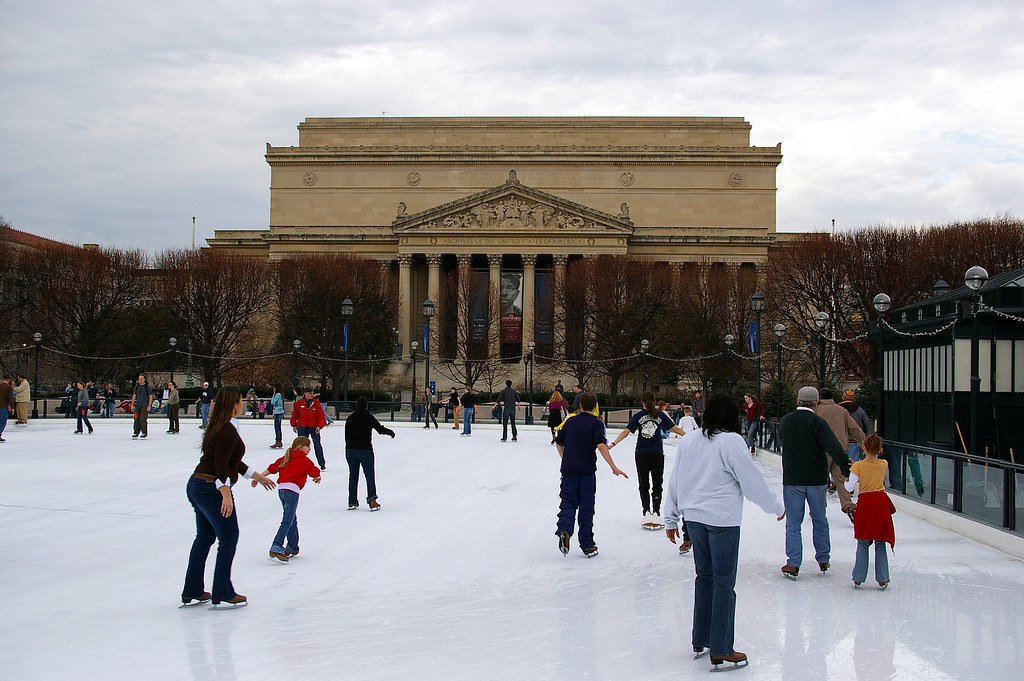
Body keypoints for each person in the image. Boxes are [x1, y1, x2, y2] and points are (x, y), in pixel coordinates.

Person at [663, 393, 785, 671]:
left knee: (704, 577)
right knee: (723, 582)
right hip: (722, 521)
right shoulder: (731, 442)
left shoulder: (691, 439)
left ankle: (702, 637)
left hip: (694, 519)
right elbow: (752, 483)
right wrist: (776, 507)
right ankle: (721, 648)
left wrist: (671, 518)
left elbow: (676, 480)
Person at [182, 386, 276, 608]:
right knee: (229, 536)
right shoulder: (226, 429)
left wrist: (258, 477)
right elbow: (221, 465)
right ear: (234, 404)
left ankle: (193, 589)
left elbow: (233, 461)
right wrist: (225, 492)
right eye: (240, 400)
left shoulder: (220, 426)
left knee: (204, 537)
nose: (242, 404)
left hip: (198, 485)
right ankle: (222, 590)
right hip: (209, 487)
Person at [778, 386, 851, 578]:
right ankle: (823, 558)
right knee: (820, 519)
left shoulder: (785, 421)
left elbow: (781, 442)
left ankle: (793, 563)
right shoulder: (818, 423)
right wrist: (845, 468)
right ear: (816, 402)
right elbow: (834, 447)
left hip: (793, 479)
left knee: (793, 523)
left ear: (797, 401)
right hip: (816, 479)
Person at [555, 391, 628, 558]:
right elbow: (601, 446)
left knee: (568, 502)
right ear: (595, 406)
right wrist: (613, 466)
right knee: (586, 507)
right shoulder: (597, 424)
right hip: (587, 472)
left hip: (569, 470)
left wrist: (565, 459)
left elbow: (559, 443)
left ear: (580, 405)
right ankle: (587, 544)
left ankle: (565, 529)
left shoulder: (570, 421)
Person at [609, 391, 686, 530]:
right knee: (657, 484)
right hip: (657, 453)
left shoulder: (638, 416)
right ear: (654, 401)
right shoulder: (660, 415)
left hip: (641, 454)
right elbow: (674, 428)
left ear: (642, 402)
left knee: (643, 484)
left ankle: (646, 512)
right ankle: (656, 512)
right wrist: (692, 436)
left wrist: (614, 443)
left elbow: (626, 431)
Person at [254, 436, 321, 563]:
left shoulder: (286, 458)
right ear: (300, 447)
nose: (310, 449)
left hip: (282, 491)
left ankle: (292, 546)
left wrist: (259, 478)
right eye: (308, 446)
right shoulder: (303, 460)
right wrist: (317, 476)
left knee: (291, 518)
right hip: (292, 491)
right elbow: (314, 471)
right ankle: (276, 545)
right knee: (287, 519)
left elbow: (272, 468)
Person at [845, 434, 895, 588]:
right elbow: (873, 467)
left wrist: (848, 477)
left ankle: (858, 576)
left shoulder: (858, 466)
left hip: (866, 505)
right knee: (880, 542)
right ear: (880, 449)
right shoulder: (883, 464)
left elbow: (849, 488)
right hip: (880, 504)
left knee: (863, 542)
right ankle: (883, 577)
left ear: (863, 447)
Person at [814, 387, 865, 522]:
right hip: (840, 451)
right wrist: (864, 442)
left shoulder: (816, 410)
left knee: (819, 480)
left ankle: (819, 506)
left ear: (819, 398)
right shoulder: (841, 410)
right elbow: (854, 428)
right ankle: (849, 506)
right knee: (841, 480)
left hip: (822, 451)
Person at [344, 395, 396, 511]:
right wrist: (390, 432)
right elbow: (380, 429)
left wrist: (349, 447)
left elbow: (346, 435)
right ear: (366, 405)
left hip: (350, 449)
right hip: (365, 449)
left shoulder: (350, 418)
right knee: (369, 475)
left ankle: (352, 501)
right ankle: (372, 500)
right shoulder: (368, 417)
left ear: (357, 405)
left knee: (353, 476)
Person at [291, 386, 328, 469]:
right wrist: (294, 424)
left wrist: (319, 426)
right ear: (305, 394)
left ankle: (322, 463)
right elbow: (295, 414)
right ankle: (298, 461)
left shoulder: (316, 403)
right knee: (300, 445)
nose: (312, 395)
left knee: (317, 445)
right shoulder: (300, 402)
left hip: (313, 427)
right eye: (310, 393)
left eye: (312, 393)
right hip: (302, 427)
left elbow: (321, 416)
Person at [839, 389, 871, 462]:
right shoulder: (860, 410)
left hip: (840, 440)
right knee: (853, 465)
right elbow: (866, 423)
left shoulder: (838, 409)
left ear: (843, 397)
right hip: (854, 441)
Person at [131, 374, 153, 439]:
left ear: (144, 379)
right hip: (138, 405)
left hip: (144, 405)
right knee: (136, 418)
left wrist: (149, 406)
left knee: (142, 419)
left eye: (141, 379)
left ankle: (144, 432)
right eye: (139, 378)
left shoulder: (147, 386)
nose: (140, 380)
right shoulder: (137, 386)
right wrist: (132, 404)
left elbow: (150, 396)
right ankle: (136, 432)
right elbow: (134, 395)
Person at [269, 383, 285, 449]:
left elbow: (272, 402)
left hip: (278, 413)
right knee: (278, 427)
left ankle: (278, 441)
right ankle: (278, 441)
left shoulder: (278, 394)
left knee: (277, 427)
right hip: (277, 412)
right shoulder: (279, 394)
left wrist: (274, 394)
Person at [0, 377, 12, 442]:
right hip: (3, 406)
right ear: (8, 380)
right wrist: (12, 407)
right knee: (2, 422)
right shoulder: (9, 388)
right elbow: (10, 398)